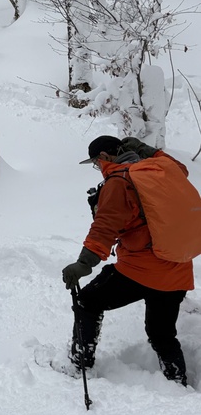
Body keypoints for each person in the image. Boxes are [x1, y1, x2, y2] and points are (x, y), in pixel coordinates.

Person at [61, 135, 193, 384]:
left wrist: (84, 263)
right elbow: (181, 168)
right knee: (162, 333)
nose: (97, 168)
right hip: (178, 268)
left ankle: (80, 365)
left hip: (141, 270)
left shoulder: (119, 181)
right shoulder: (161, 170)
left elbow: (105, 225)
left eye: (95, 163)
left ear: (104, 158)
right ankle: (177, 381)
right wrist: (147, 150)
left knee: (87, 301)